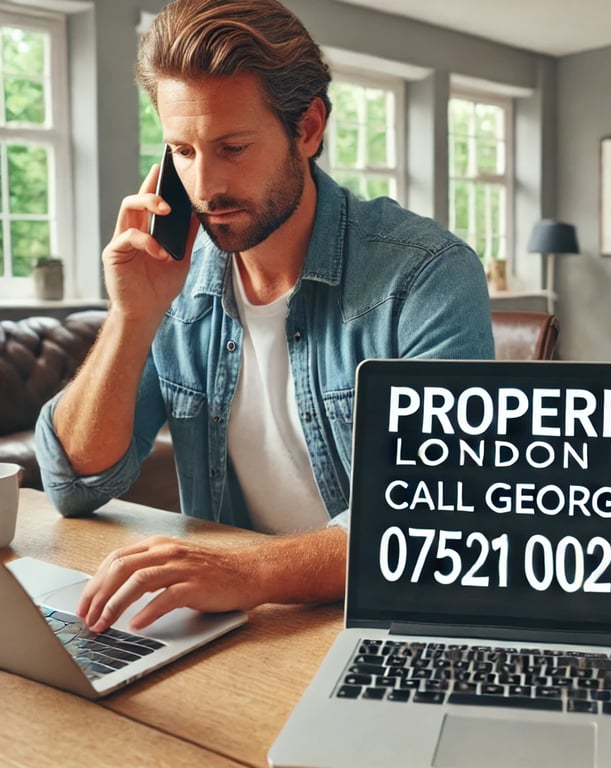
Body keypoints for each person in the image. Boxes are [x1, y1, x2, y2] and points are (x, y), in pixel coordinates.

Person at [34, 0, 494, 633]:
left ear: (307, 129)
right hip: (233, 628)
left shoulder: (425, 274)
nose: (204, 186)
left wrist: (248, 573)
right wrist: (132, 316)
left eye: (233, 147)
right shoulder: (180, 279)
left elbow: (437, 515)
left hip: (373, 622)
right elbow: (74, 483)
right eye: (183, 151)